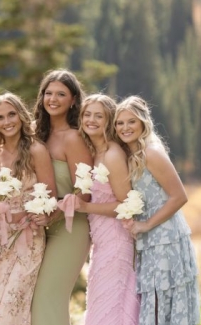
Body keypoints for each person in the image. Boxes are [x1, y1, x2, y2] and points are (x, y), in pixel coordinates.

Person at [114, 96, 200, 325]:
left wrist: (147, 224)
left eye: (131, 121)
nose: (125, 128)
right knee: (153, 300)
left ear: (143, 122)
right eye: (119, 123)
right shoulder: (130, 155)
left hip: (166, 238)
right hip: (149, 240)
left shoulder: (151, 152)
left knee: (163, 299)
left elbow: (179, 196)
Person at [0, 92, 57, 325]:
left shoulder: (37, 150)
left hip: (29, 239)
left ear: (21, 116)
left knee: (12, 305)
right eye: (0, 118)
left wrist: (31, 215)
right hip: (0, 240)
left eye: (11, 115)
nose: (7, 122)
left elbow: (50, 196)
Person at [31, 69, 93, 325]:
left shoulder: (74, 138)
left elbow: (85, 192)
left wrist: (56, 211)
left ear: (74, 100)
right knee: (33, 296)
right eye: (48, 93)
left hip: (70, 228)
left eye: (61, 94)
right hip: (38, 228)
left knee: (48, 296)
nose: (53, 99)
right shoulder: (35, 133)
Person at [75, 94, 139, 324]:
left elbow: (126, 205)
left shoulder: (112, 155)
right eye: (87, 114)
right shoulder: (94, 153)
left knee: (110, 304)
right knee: (101, 302)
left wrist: (85, 206)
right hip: (101, 241)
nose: (91, 120)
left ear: (109, 120)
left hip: (116, 239)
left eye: (98, 116)